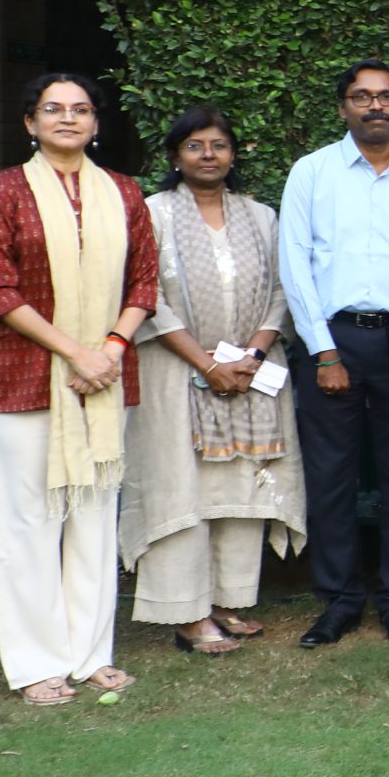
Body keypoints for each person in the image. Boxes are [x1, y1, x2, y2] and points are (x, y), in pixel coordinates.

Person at [0, 74, 157, 705]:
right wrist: (76, 351)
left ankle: (90, 654)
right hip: (22, 378)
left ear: (97, 125)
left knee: (95, 516)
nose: (69, 119)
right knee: (28, 522)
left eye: (81, 110)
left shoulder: (125, 194)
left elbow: (144, 286)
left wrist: (108, 351)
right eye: (54, 110)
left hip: (105, 374)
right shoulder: (3, 192)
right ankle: (35, 663)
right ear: (30, 123)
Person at [120, 106, 306, 658]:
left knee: (239, 487)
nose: (208, 155)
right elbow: (143, 296)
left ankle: (227, 601)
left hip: (251, 375)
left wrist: (251, 355)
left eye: (219, 145)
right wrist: (205, 364)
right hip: (174, 373)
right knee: (183, 487)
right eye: (195, 146)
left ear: (233, 154)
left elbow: (282, 288)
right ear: (175, 155)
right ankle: (187, 612)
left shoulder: (261, 216)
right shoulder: (152, 215)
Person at [279, 60, 389, 647]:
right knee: (331, 476)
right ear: (343, 107)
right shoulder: (313, 173)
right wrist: (323, 351)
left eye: (385, 98)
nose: (374, 107)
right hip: (334, 337)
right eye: (361, 97)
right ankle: (340, 600)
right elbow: (294, 264)